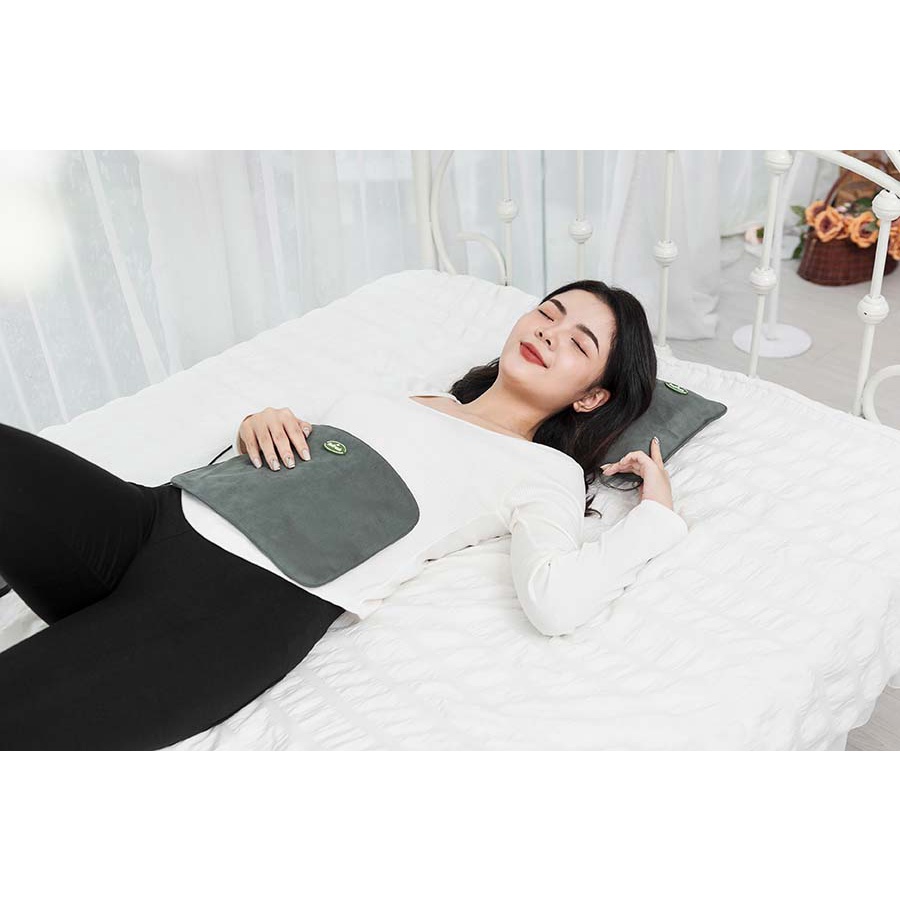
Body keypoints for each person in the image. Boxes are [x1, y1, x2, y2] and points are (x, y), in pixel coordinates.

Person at [0, 279, 688, 750]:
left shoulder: (543, 470)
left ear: (591, 397)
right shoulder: (409, 398)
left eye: (579, 343)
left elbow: (555, 600)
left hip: (227, 605)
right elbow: (301, 466)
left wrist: (654, 517)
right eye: (549, 312)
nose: (550, 333)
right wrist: (258, 426)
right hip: (158, 516)